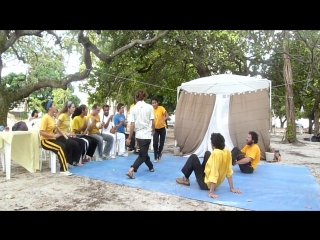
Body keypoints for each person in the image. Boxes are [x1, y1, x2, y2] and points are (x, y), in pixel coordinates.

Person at [176, 133, 242, 199]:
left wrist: (211, 192)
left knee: (193, 157)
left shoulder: (216, 153)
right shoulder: (227, 152)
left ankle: (185, 179)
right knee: (207, 153)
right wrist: (232, 188)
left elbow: (214, 173)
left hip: (205, 185)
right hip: (211, 181)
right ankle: (200, 179)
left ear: (213, 145)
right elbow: (228, 171)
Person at [125, 90, 155, 179]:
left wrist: (129, 138)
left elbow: (132, 124)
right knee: (142, 155)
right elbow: (153, 122)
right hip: (147, 135)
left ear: (135, 98)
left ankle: (151, 167)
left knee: (143, 152)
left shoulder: (133, 109)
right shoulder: (150, 107)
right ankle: (131, 169)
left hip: (139, 135)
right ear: (145, 97)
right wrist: (153, 131)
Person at [39, 100, 73, 176]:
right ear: (49, 108)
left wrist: (58, 133)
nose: (56, 107)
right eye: (54, 105)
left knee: (64, 145)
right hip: (45, 141)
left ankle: (66, 165)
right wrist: (53, 136)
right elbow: (41, 132)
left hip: (52, 140)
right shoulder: (45, 118)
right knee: (61, 147)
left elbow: (53, 129)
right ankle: (63, 169)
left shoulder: (52, 117)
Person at [56, 101, 85, 167]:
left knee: (82, 142)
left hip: (66, 135)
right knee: (74, 144)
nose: (74, 109)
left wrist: (71, 133)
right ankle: (69, 162)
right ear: (68, 108)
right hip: (60, 136)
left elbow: (66, 127)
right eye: (73, 107)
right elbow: (56, 127)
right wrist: (66, 133)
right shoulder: (62, 116)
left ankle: (75, 161)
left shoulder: (68, 116)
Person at [151, 97, 169, 162]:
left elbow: (167, 116)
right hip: (155, 129)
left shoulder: (161, 108)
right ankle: (155, 157)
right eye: (152, 103)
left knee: (161, 143)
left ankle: (159, 154)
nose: (154, 104)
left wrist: (163, 120)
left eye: (155, 103)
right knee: (155, 143)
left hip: (162, 129)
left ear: (157, 103)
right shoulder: (151, 110)